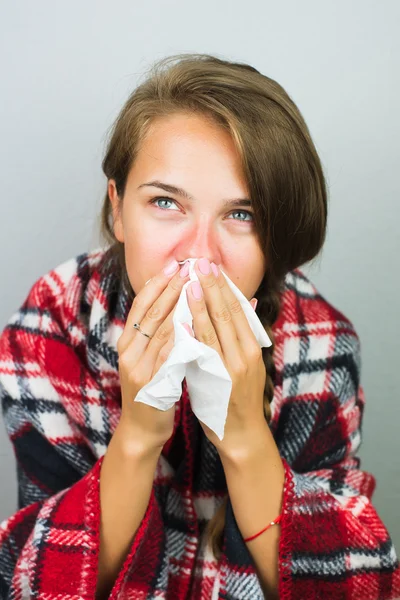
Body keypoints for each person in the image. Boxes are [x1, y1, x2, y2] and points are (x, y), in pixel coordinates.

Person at [0, 53, 399, 600]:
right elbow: (30, 583)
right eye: (166, 202)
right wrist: (138, 436)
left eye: (242, 215)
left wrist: (245, 440)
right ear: (117, 208)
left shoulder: (320, 340)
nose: (199, 257)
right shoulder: (51, 329)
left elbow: (360, 587)